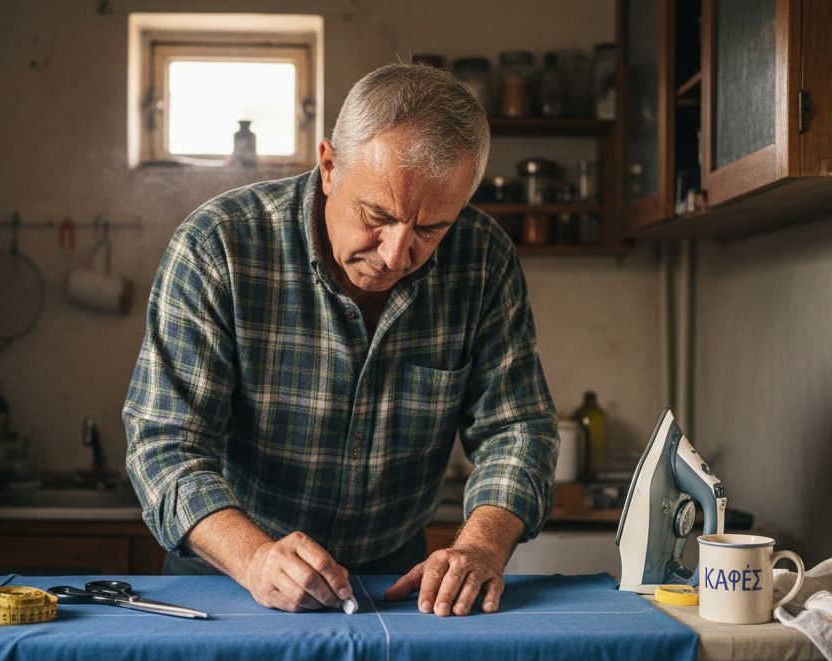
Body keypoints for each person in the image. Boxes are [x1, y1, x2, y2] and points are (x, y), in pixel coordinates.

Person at [123, 62, 557, 618]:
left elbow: (517, 428)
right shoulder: (219, 247)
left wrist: (480, 547)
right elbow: (164, 445)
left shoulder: (483, 259)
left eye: (430, 229)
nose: (397, 255)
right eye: (377, 215)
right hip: (228, 574)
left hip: (392, 581)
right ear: (330, 166)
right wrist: (255, 559)